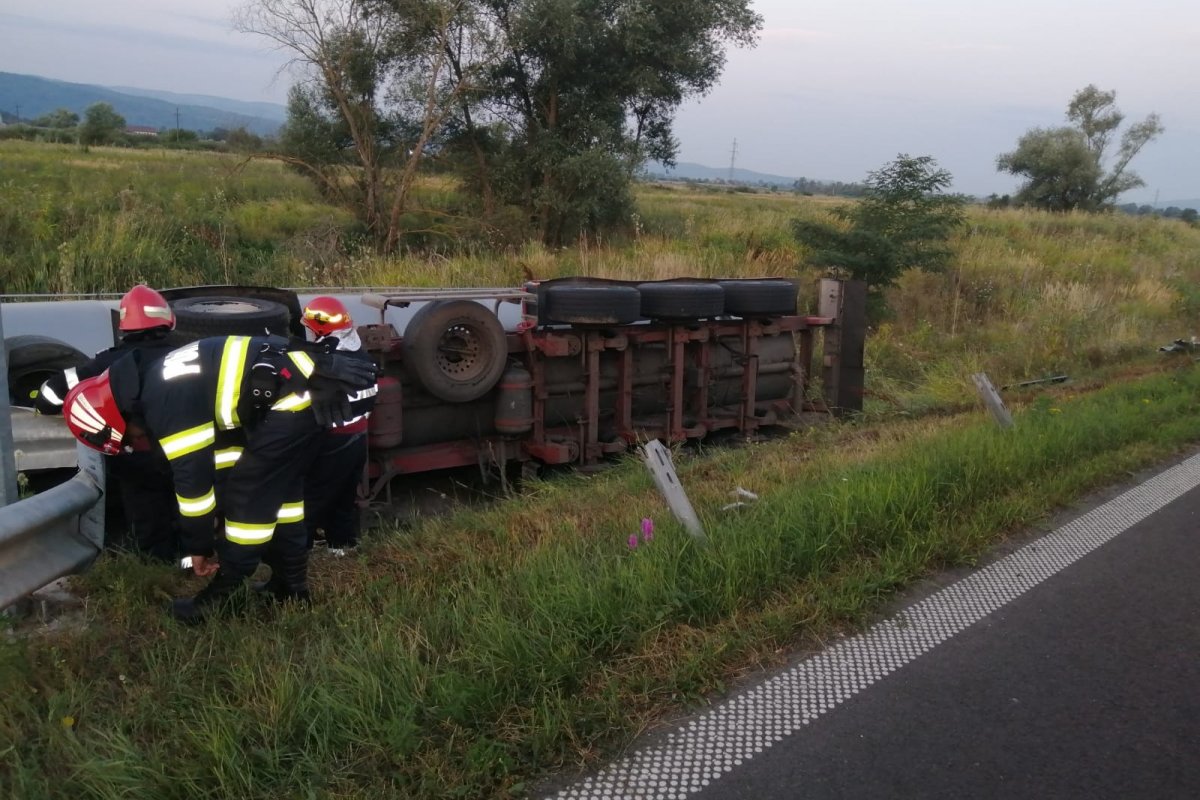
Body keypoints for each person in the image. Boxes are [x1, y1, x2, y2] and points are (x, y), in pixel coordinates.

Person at [61, 333, 377, 623]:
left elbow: (193, 488)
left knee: (248, 498)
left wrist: (197, 547)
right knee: (282, 494)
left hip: (288, 397)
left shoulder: (163, 404)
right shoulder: (157, 378)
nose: (132, 443)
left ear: (110, 418)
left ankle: (222, 596)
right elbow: (222, 451)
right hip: (293, 390)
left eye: (126, 438)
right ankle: (291, 587)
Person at [36, 284, 181, 562]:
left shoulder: (105, 363)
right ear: (168, 321)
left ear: (124, 327)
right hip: (188, 455)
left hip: (136, 458)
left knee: (148, 524)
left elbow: (49, 395)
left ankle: (158, 566)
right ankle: (191, 561)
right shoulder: (188, 355)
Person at [297, 296, 377, 556]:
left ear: (319, 328)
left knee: (314, 495)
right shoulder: (357, 351)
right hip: (358, 436)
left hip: (334, 437)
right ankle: (340, 546)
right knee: (344, 494)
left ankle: (301, 548)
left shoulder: (327, 360)